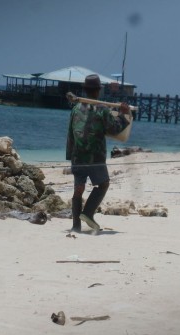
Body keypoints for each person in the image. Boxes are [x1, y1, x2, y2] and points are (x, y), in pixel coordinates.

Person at [66, 74, 131, 233]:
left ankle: (76, 226)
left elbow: (70, 134)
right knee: (104, 184)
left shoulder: (75, 109)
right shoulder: (102, 110)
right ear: (98, 91)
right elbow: (114, 129)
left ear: (85, 90)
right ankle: (88, 213)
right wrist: (124, 115)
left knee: (78, 189)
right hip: (95, 157)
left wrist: (70, 157)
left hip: (78, 156)